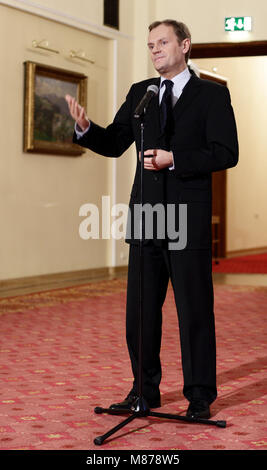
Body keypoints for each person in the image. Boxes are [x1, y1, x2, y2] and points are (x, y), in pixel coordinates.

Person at [65, 19, 238, 419]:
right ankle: (143, 390)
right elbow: (113, 143)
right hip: (146, 216)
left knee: (194, 310)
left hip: (187, 218)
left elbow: (226, 153)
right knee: (140, 312)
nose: (155, 49)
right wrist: (86, 128)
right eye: (150, 45)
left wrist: (175, 160)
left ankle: (199, 396)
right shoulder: (140, 94)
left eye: (163, 42)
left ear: (185, 45)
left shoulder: (211, 96)